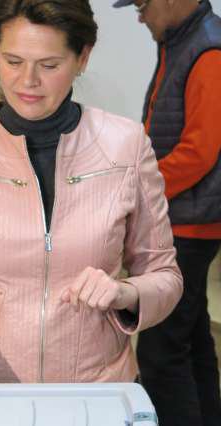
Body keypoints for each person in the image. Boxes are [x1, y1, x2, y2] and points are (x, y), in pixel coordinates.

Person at [0, 0, 183, 386]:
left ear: (82, 58)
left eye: (49, 65)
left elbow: (164, 275)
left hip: (95, 386)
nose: (27, 81)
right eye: (12, 61)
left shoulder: (125, 147)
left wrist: (124, 293)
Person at [114, 1, 221, 425]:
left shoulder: (207, 50)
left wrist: (140, 188)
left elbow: (198, 153)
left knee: (160, 354)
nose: (139, 15)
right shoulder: (183, 43)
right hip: (185, 218)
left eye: (142, 4)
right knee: (191, 341)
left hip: (190, 224)